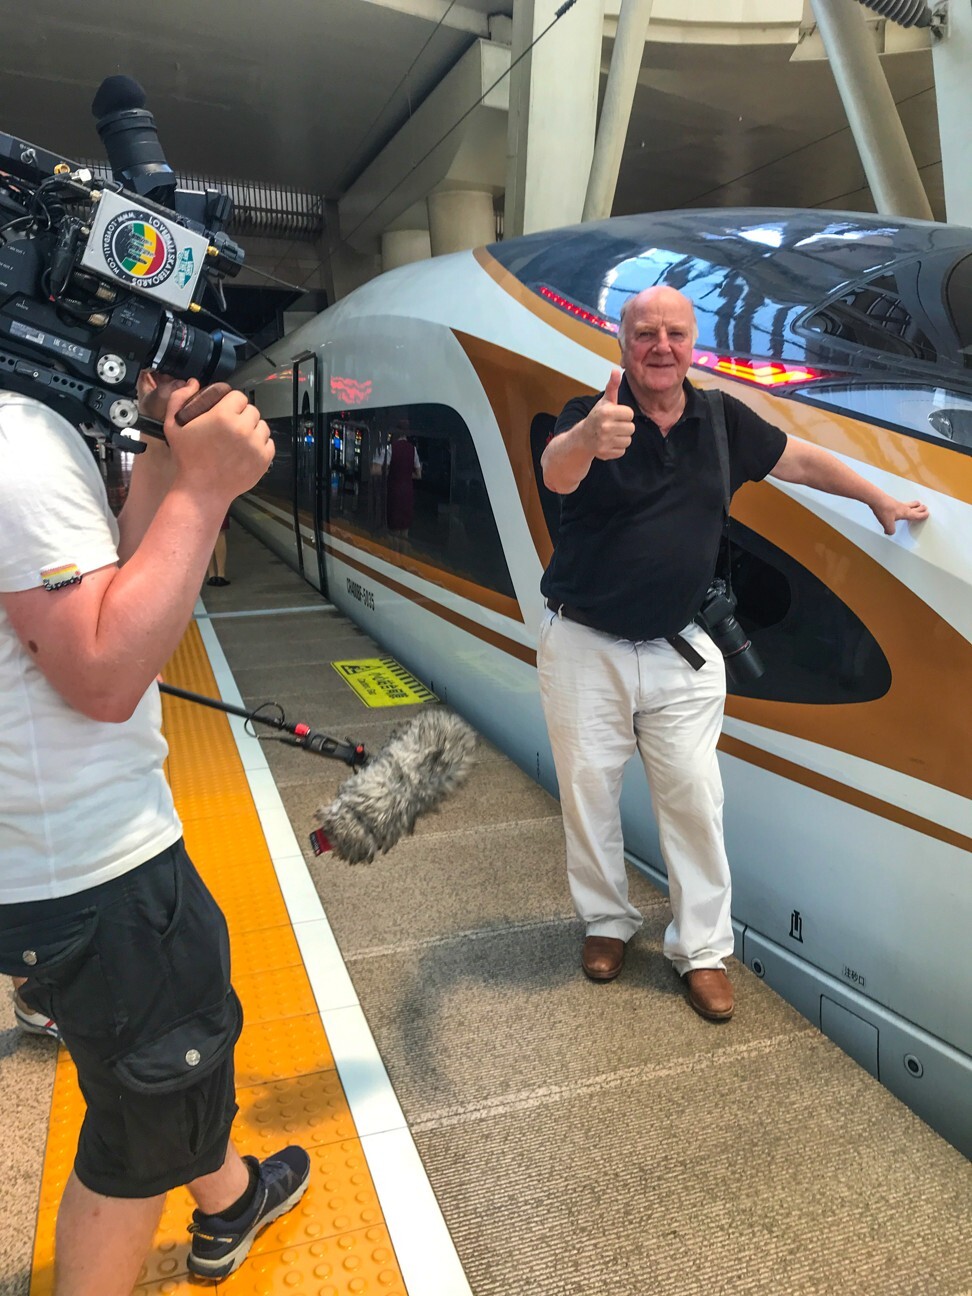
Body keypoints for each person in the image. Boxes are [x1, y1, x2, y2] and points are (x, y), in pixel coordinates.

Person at [538, 285, 929, 1022]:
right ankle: (606, 922)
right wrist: (590, 439)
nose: (661, 346)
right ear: (622, 342)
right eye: (646, 332)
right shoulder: (589, 417)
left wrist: (876, 497)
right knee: (587, 790)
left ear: (694, 345)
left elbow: (801, 462)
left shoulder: (721, 421)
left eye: (675, 334)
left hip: (682, 650)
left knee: (695, 798)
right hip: (585, 644)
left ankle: (702, 950)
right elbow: (557, 471)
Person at [0, 369, 310, 1294]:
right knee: (137, 1130)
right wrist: (209, 490)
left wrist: (161, 467)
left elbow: (113, 587)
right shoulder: (19, 444)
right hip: (88, 867)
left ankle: (231, 1199)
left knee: (164, 1072)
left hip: (44, 854)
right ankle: (215, 1210)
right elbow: (102, 675)